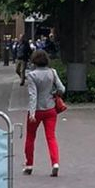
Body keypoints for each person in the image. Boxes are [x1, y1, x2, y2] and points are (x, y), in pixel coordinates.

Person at [24, 49, 65, 177]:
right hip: (50, 109)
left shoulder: (31, 75)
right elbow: (61, 89)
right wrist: (53, 94)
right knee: (51, 137)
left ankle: (29, 165)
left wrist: (32, 113)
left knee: (30, 137)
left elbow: (33, 95)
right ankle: (55, 163)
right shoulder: (52, 72)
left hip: (37, 110)